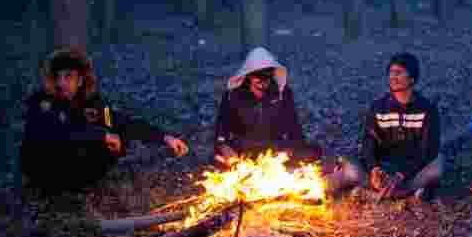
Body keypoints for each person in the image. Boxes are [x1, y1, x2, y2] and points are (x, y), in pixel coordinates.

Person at [20, 47, 189, 195]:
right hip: (46, 168)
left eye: (68, 77)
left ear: (80, 81)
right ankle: (59, 190)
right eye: (59, 77)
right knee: (86, 138)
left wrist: (164, 138)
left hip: (77, 167)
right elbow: (58, 132)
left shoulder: (94, 103)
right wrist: (101, 136)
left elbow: (120, 120)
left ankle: (87, 183)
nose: (62, 83)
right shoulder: (43, 103)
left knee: (118, 132)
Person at [336, 53, 442, 201]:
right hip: (384, 168)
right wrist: (374, 169)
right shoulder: (379, 107)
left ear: (412, 79)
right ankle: (402, 194)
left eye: (398, 73)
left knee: (437, 166)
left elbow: (427, 152)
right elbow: (368, 142)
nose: (393, 77)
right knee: (350, 168)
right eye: (391, 73)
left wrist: (400, 176)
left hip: (411, 170)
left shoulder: (427, 110)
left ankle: (376, 194)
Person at [213, 47, 323, 168]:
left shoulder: (282, 93)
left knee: (313, 151)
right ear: (248, 75)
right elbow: (221, 128)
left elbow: (293, 126)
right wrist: (223, 146)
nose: (263, 82)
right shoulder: (232, 95)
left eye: (267, 77)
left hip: (274, 147)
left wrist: (294, 147)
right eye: (258, 77)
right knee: (218, 158)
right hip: (243, 148)